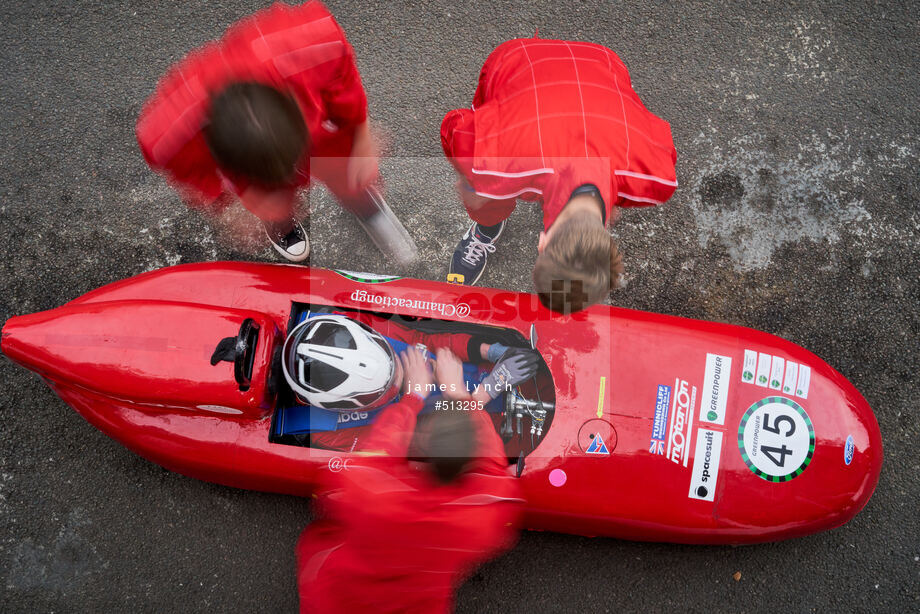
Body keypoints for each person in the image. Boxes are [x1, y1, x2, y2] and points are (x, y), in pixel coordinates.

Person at [136, 1, 416, 264]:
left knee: (351, 169)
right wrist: (223, 205)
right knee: (270, 204)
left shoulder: (307, 46)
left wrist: (361, 135)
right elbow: (188, 173)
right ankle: (280, 221)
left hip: (317, 133)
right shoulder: (169, 135)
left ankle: (361, 199)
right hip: (253, 164)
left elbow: (343, 78)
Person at [441, 37, 678, 312]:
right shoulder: (496, 163)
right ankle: (486, 229)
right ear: (542, 244)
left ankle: (488, 222)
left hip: (603, 59)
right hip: (518, 60)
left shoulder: (656, 179)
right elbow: (453, 125)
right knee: (481, 191)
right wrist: (470, 176)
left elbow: (658, 136)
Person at [295, 346, 523, 613]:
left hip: (337, 596)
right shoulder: (483, 517)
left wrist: (413, 397)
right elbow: (494, 469)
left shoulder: (368, 492)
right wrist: (459, 395)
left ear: (421, 445)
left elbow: (375, 454)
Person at [280, 312, 539, 450]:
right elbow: (428, 445)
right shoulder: (330, 433)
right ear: (350, 405)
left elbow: (423, 341)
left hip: (488, 378)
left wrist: (487, 350)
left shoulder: (350, 326)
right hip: (486, 431)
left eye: (394, 363)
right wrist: (480, 395)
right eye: (389, 385)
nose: (404, 374)